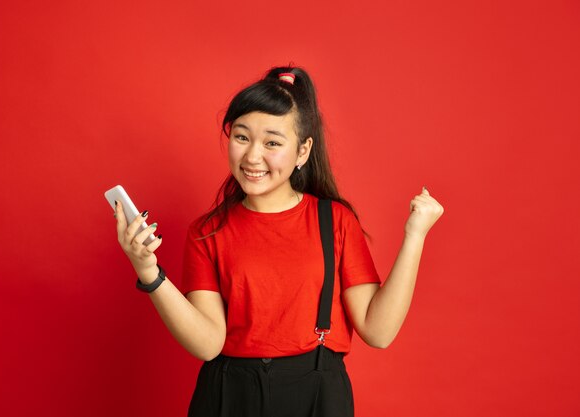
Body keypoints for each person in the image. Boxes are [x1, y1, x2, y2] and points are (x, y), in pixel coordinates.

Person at [113, 65, 444, 417]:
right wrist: (149, 270)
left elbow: (378, 332)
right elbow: (208, 344)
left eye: (272, 142)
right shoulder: (207, 231)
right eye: (242, 137)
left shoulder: (334, 221)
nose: (253, 156)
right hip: (229, 394)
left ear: (303, 151)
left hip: (318, 393)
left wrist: (415, 235)